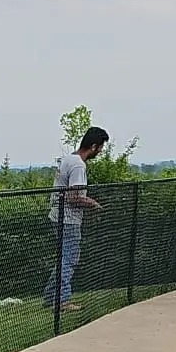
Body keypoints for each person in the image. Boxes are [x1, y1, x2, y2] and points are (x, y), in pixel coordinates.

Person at [45, 127, 108, 311]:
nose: (101, 151)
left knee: (63, 258)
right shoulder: (79, 165)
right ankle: (62, 301)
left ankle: (51, 297)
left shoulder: (67, 159)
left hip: (56, 216)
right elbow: (74, 197)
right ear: (94, 146)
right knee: (69, 259)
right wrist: (93, 204)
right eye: (101, 147)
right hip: (68, 219)